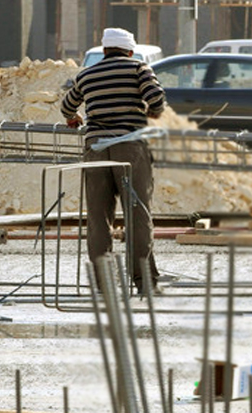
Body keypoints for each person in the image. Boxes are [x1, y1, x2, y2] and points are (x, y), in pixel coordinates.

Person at [60, 27, 167, 295]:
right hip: (130, 148)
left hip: (95, 149)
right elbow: (157, 99)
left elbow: (66, 106)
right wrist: (153, 112)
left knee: (98, 218)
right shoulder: (138, 68)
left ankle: (103, 284)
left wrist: (74, 118)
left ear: (105, 50)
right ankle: (145, 283)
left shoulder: (86, 74)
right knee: (137, 214)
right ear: (129, 50)